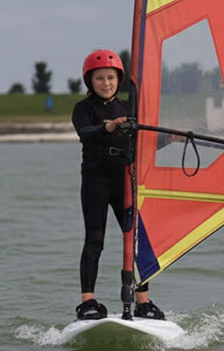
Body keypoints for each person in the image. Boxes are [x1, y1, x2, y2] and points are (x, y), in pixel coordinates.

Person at [70, 49, 165, 321]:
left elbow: (145, 141)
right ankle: (88, 302)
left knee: (135, 241)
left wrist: (169, 139)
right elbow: (85, 133)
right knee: (94, 241)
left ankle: (143, 301)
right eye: (99, 78)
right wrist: (109, 127)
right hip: (96, 181)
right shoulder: (83, 109)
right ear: (90, 81)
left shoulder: (128, 110)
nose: (106, 83)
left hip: (125, 180)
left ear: (118, 79)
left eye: (111, 78)